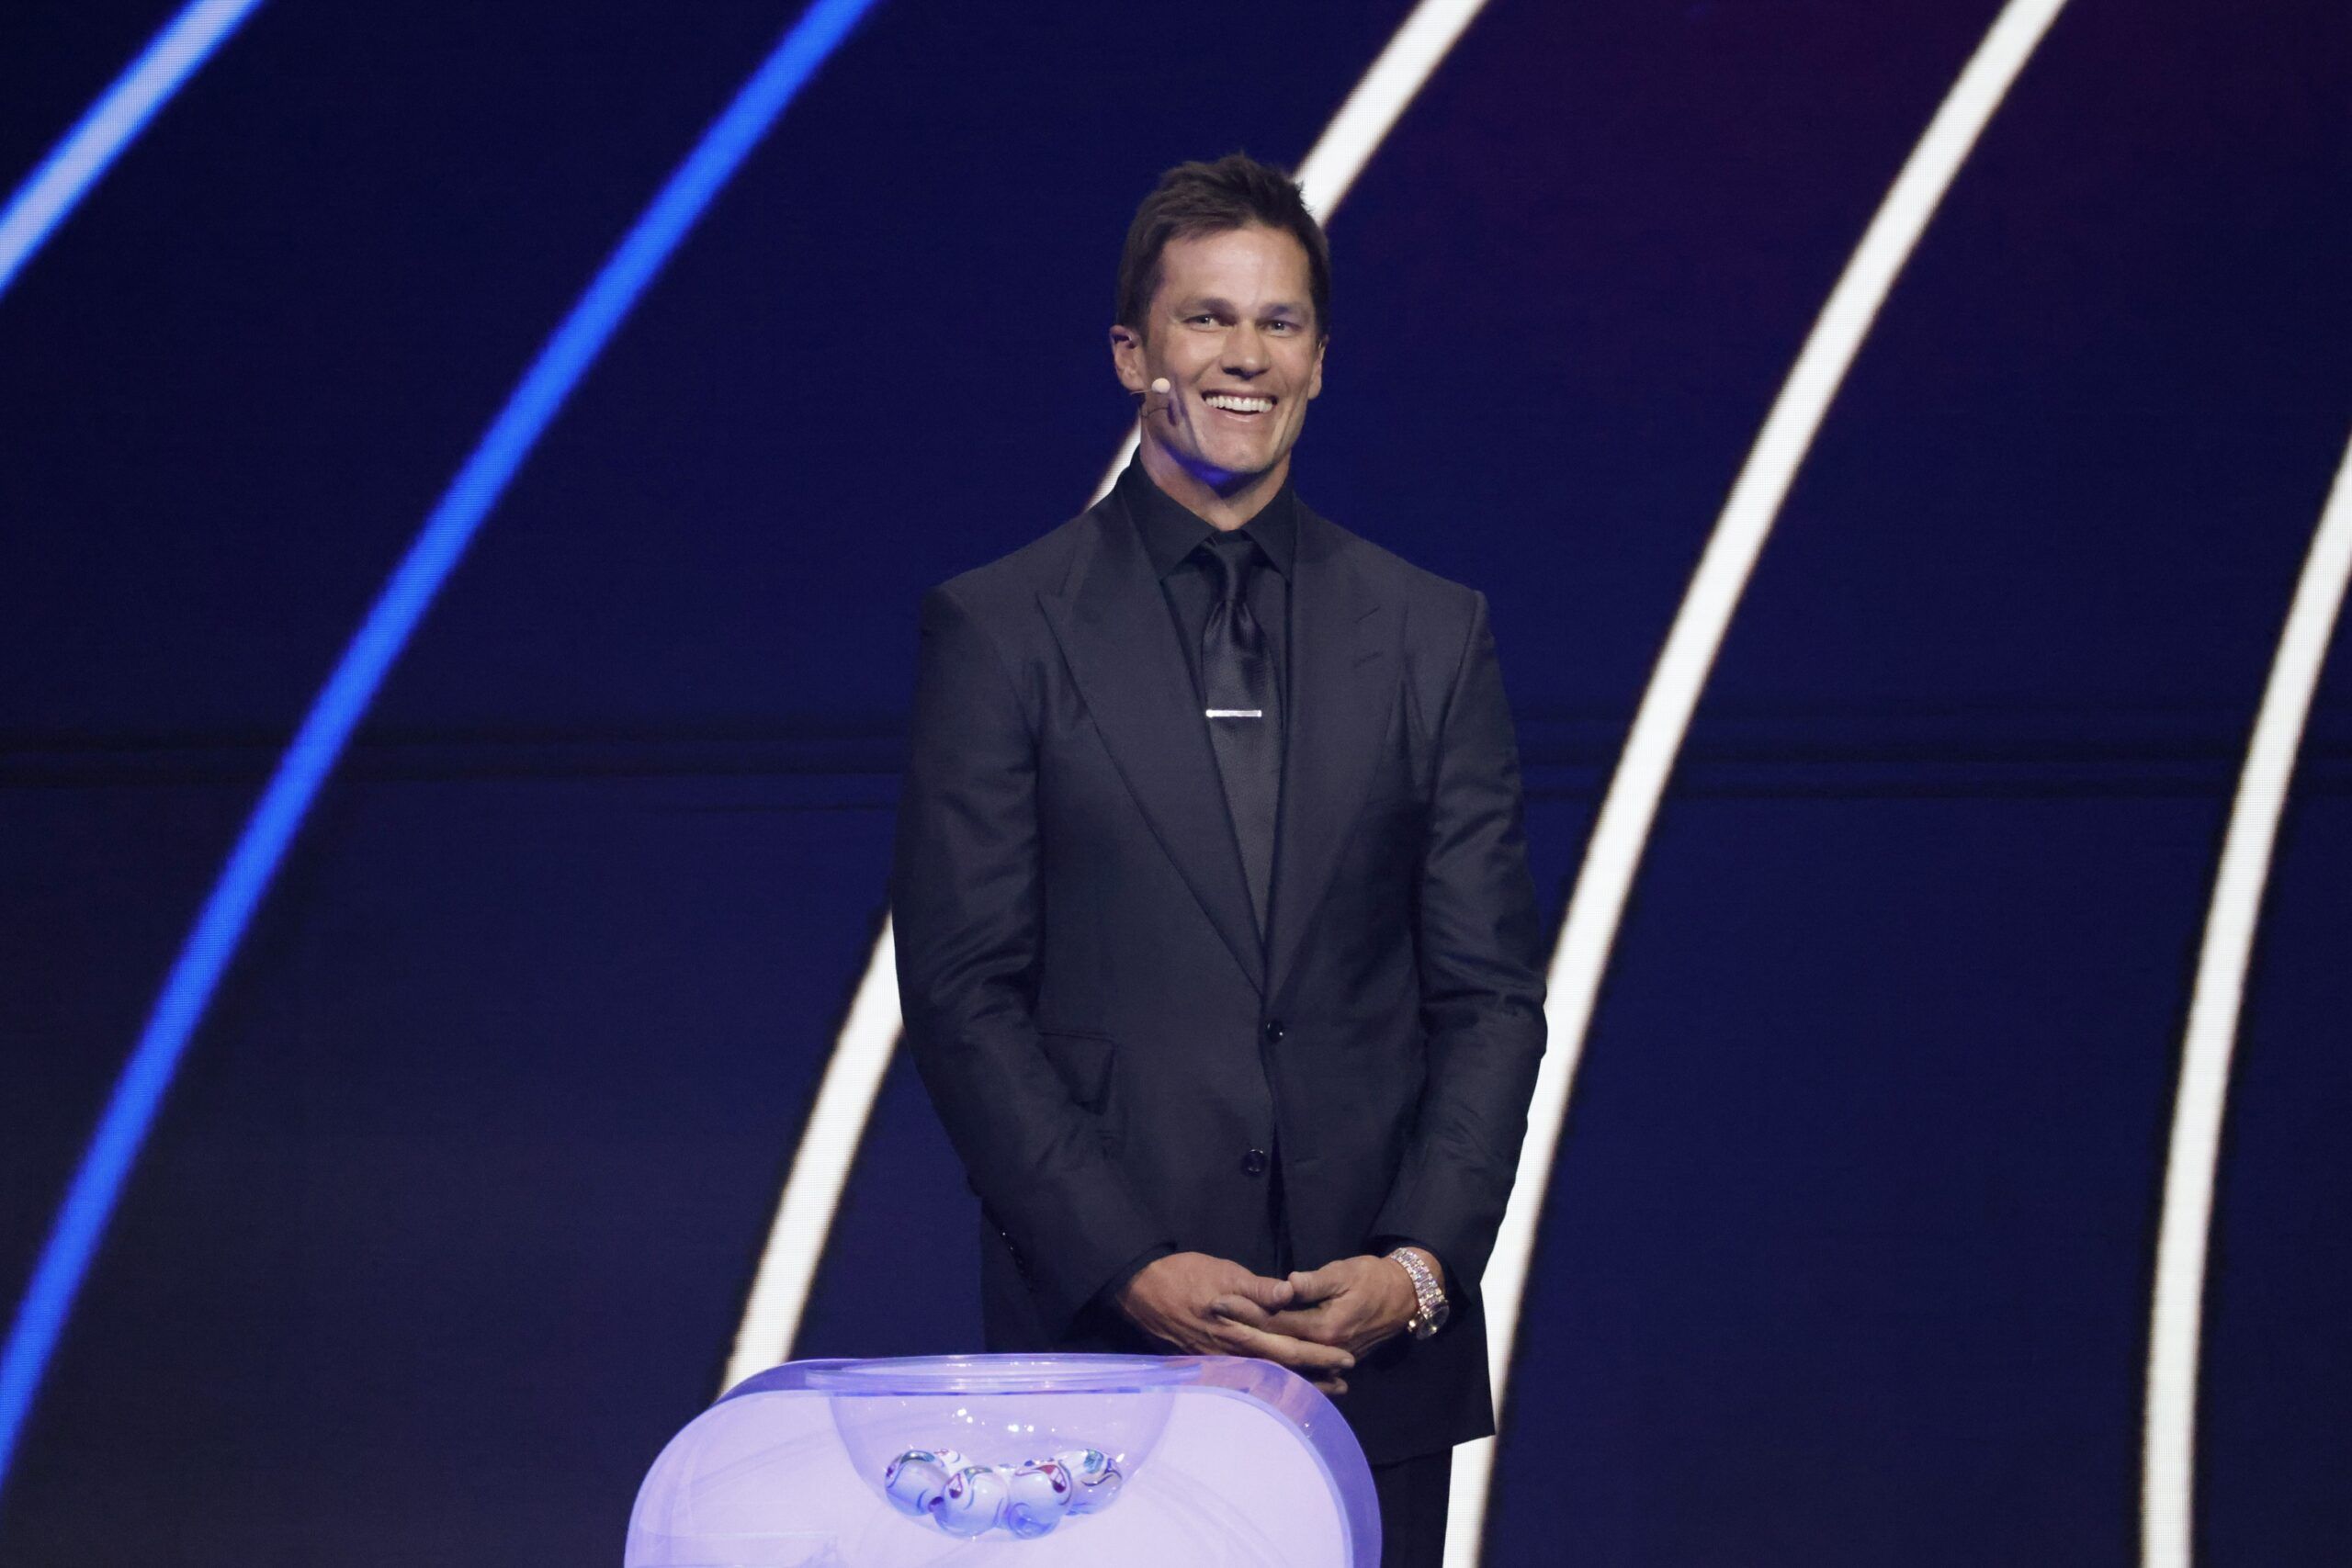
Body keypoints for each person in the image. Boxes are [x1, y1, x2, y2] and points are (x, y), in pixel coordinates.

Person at [889, 152, 1545, 1566]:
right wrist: (1130, 1263)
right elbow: (961, 994)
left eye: (1280, 322)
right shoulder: (1001, 630)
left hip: (1371, 1360)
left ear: (1320, 360)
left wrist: (1419, 1269)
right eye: (1206, 319)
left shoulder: (1434, 633)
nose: (1245, 356)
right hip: (1100, 1357)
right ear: (1135, 353)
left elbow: (1489, 994)